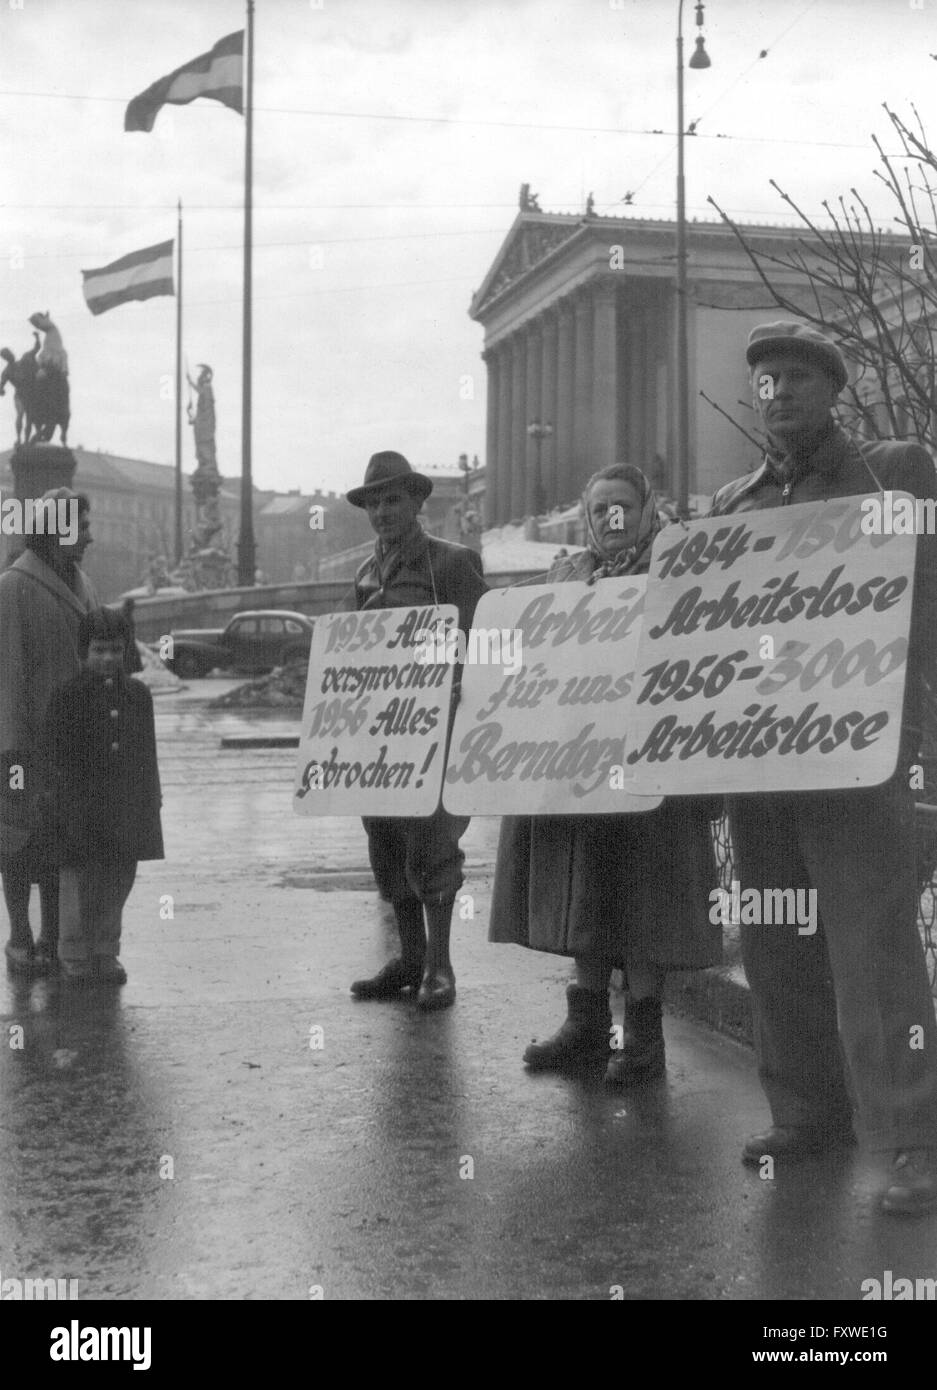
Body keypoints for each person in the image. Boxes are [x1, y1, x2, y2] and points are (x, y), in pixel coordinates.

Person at [710, 319, 937, 1215]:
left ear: (833, 389)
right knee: (776, 938)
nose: (777, 394)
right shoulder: (732, 506)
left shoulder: (896, 470)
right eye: (763, 382)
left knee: (874, 945)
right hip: (756, 753)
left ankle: (912, 1137)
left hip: (861, 749)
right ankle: (807, 1116)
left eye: (796, 378)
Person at [489, 463, 721, 1081]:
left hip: (653, 764)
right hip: (579, 762)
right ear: (588, 518)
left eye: (622, 505)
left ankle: (644, 1035)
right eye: (599, 510)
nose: (611, 519)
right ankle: (587, 1024)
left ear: (649, 509)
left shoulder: (681, 569)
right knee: (585, 890)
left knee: (646, 895)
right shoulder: (567, 576)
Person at [347, 450, 487, 1010]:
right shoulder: (365, 575)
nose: (382, 511)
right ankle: (408, 958)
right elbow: (350, 653)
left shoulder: (451, 563)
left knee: (432, 845)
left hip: (435, 733)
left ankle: (441, 965)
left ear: (416, 502)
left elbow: (484, 641)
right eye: (374, 502)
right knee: (386, 842)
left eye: (393, 499)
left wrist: (455, 681)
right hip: (379, 737)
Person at [0, 489, 97, 974]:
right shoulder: (13, 585)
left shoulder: (80, 580)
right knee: (17, 840)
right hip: (26, 745)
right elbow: (8, 673)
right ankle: (20, 937)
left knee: (61, 841)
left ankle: (52, 937)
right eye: (82, 526)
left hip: (73, 744)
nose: (91, 536)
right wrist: (13, 750)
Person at [43, 607, 164, 985]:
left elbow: (148, 750)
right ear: (84, 652)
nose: (107, 658)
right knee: (78, 878)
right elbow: (53, 754)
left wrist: (153, 794)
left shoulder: (138, 695)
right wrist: (56, 800)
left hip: (127, 802)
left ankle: (105, 950)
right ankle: (74, 951)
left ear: (125, 650)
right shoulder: (67, 695)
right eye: (99, 650)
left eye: (114, 650)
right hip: (80, 803)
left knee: (118, 876)